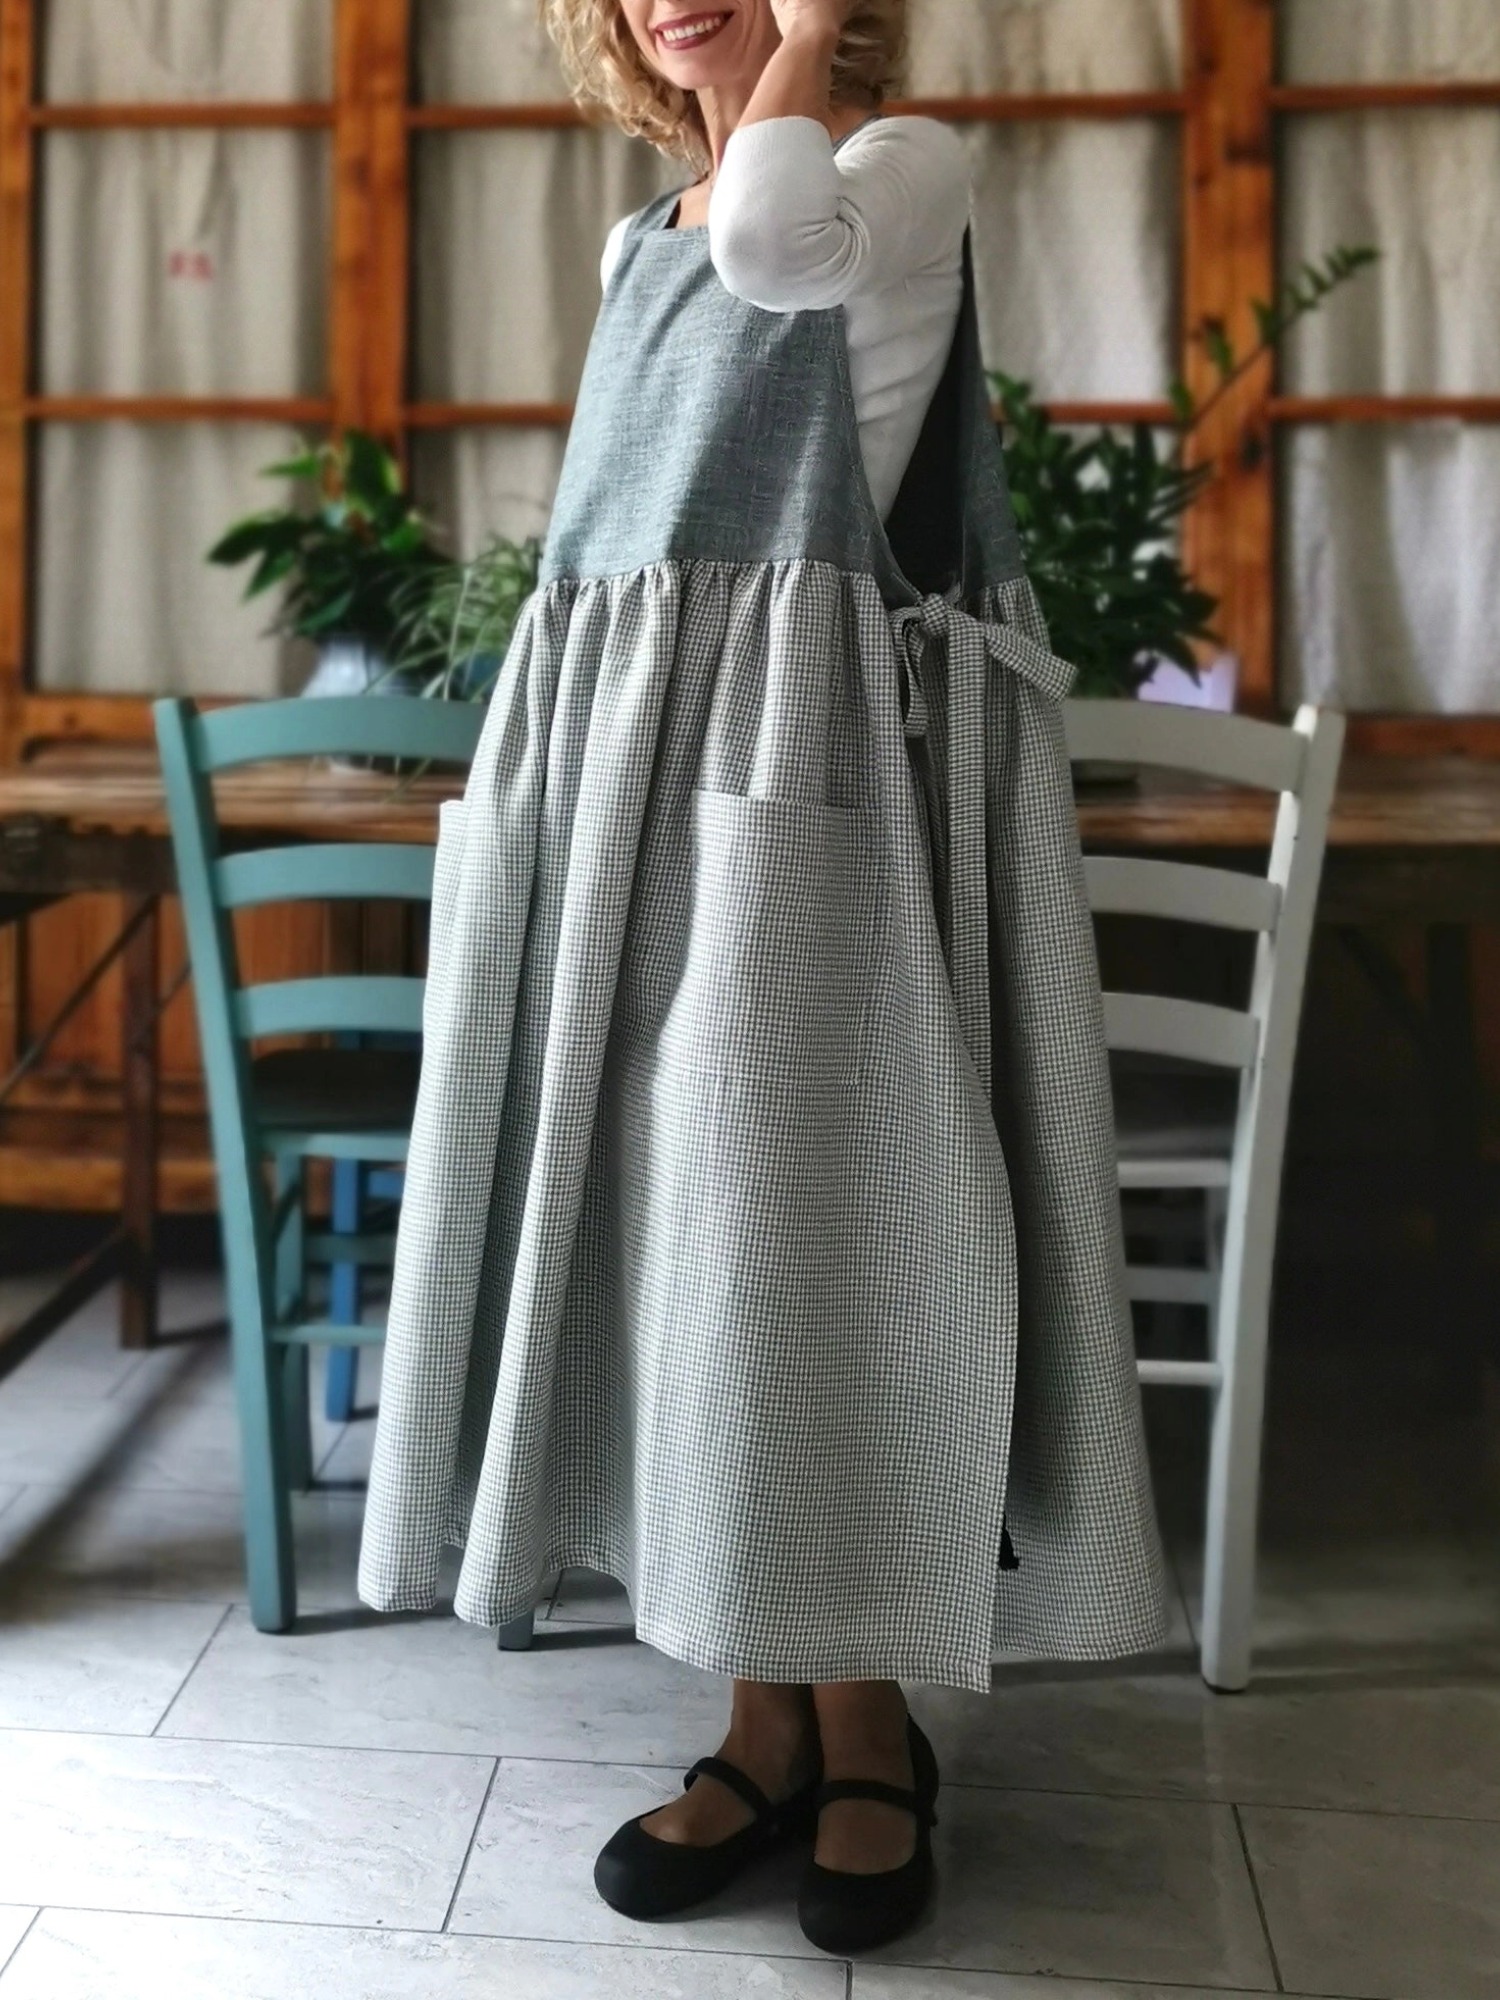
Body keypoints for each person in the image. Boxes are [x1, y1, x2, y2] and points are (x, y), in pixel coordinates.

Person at [357, 0, 1171, 1958]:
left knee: (803, 1242)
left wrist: (798, 54)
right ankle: (759, 1719)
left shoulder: (892, 168)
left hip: (806, 792)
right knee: (671, 1253)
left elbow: (775, 252)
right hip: (620, 797)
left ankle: (871, 1724)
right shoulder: (639, 235)